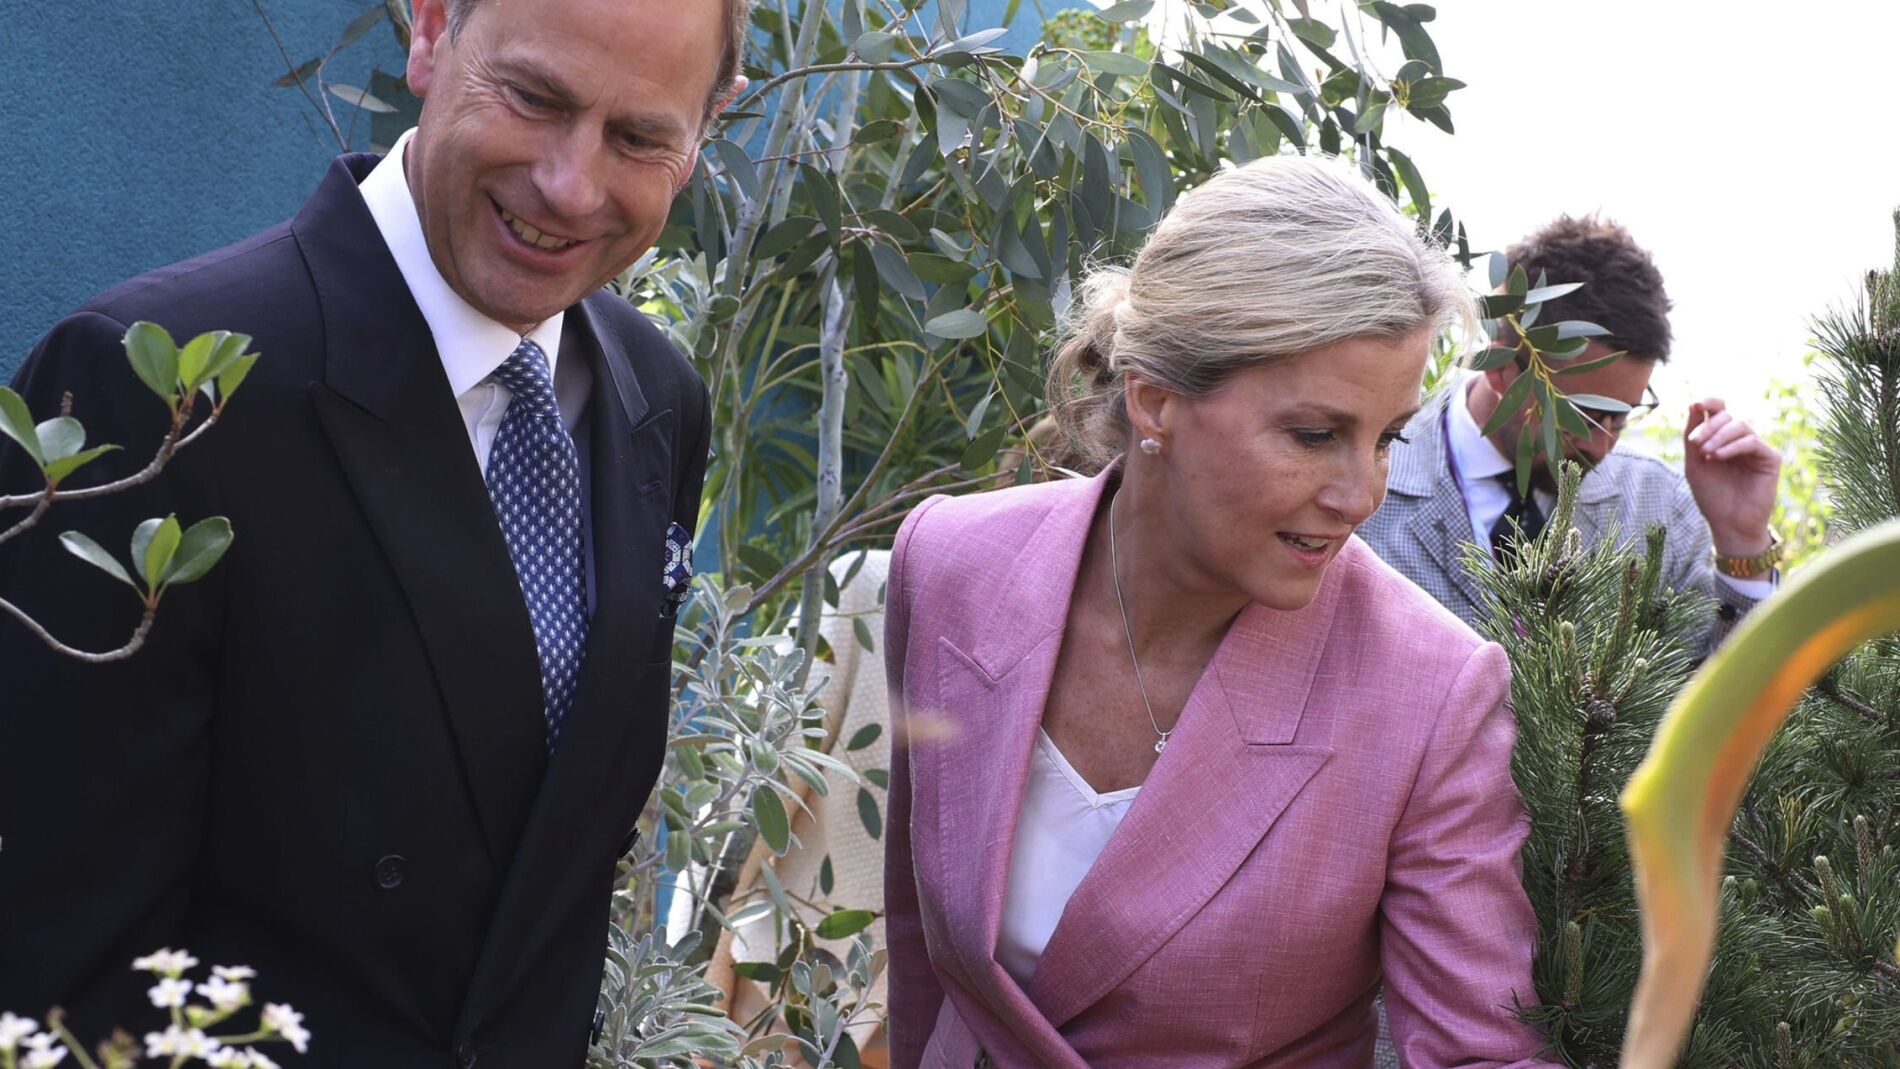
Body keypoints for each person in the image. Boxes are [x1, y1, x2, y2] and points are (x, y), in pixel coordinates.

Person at [0, 0, 743, 1062]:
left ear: (708, 126)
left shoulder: (656, 398)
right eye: (535, 98)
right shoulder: (154, 384)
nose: (571, 186)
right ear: (431, 30)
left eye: (637, 138)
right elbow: (53, 954)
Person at [882, 156, 1561, 1068]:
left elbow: (1478, 1049)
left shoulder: (1431, 693)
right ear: (1155, 399)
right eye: (1315, 434)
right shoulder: (949, 564)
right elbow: (923, 954)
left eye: (1387, 438)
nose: (1362, 494)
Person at [1357, 216, 1782, 653]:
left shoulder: (1660, 505)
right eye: (1581, 415)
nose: (1600, 444)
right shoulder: (1364, 488)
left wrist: (1744, 547)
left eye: (1620, 416)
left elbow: (1723, 687)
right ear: (1501, 368)